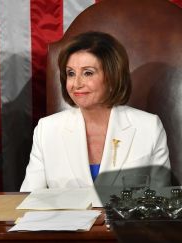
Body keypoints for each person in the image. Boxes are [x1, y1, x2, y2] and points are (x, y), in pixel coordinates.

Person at [20, 31, 171, 191]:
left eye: (88, 73)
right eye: (71, 73)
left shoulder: (148, 127)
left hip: (128, 217)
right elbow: (30, 198)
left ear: (113, 77)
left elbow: (159, 203)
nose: (76, 83)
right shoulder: (46, 129)